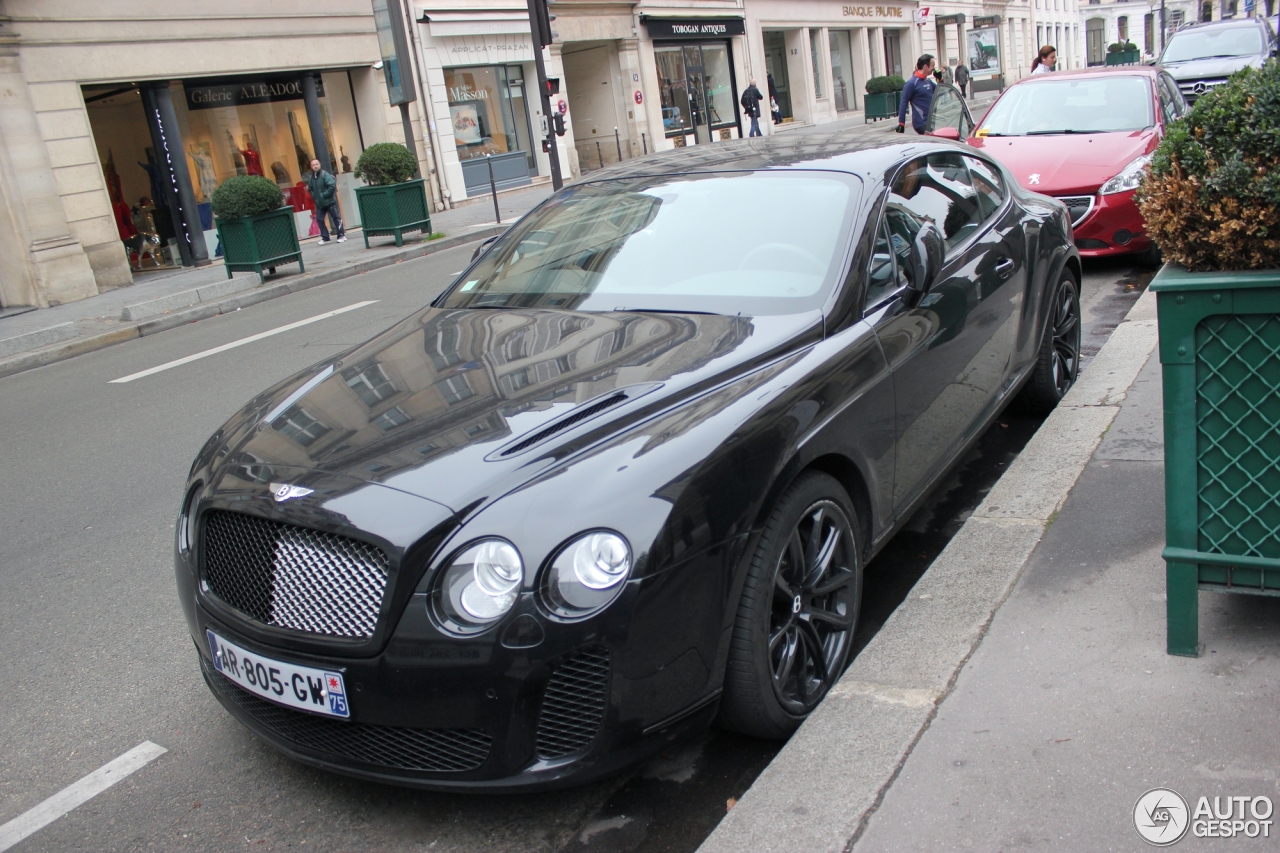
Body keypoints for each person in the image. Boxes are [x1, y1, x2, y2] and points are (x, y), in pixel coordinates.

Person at [304, 158, 345, 244]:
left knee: (336, 218)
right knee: (319, 219)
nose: (315, 166)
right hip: (320, 203)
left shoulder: (324, 175)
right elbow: (310, 189)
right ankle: (325, 237)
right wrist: (315, 197)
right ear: (311, 167)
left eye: (317, 164)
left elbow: (331, 186)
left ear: (320, 164)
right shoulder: (312, 178)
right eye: (313, 165)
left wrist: (323, 195)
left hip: (329, 201)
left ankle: (341, 235)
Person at [897, 54, 937, 135]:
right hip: (921, 123)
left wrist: (939, 78)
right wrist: (901, 124)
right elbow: (903, 103)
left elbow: (941, 91)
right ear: (926, 66)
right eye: (933, 65)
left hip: (931, 121)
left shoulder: (928, 81)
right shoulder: (911, 83)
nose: (934, 68)